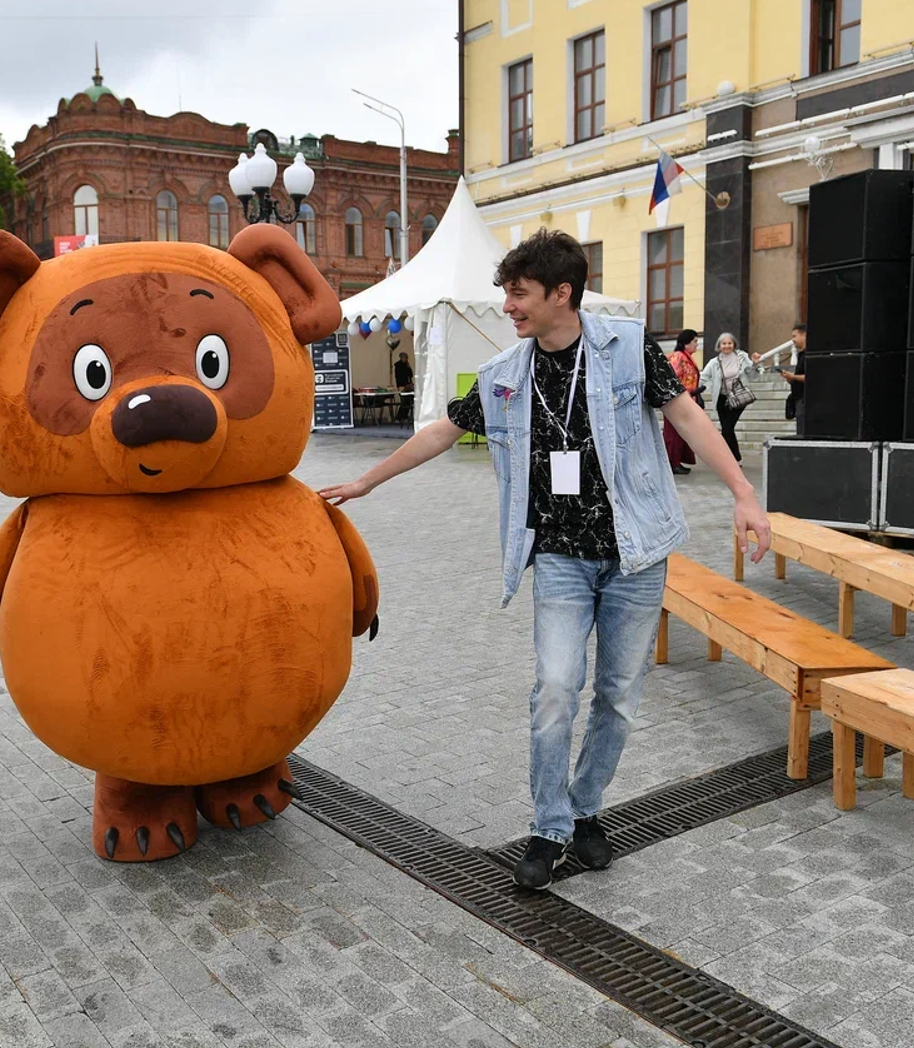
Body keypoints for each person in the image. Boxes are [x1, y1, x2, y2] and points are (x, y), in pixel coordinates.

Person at [318, 230, 771, 888]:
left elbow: (688, 417)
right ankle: (550, 825)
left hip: (636, 555)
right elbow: (443, 430)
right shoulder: (506, 375)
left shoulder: (627, 348)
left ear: (562, 294)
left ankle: (586, 810)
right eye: (506, 292)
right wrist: (367, 480)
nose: (508, 305)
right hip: (560, 557)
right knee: (557, 689)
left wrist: (744, 493)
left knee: (617, 697)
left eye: (519, 293)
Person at [698, 333, 756, 463]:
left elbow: (752, 375)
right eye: (724, 343)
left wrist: (754, 363)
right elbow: (704, 377)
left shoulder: (742, 357)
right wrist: (709, 386)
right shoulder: (714, 362)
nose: (727, 346)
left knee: (727, 429)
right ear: (719, 346)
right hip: (722, 399)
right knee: (726, 430)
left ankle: (734, 458)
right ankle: (731, 458)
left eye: (729, 343)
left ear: (734, 344)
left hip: (739, 397)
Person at [664, 330, 701, 475]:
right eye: (695, 341)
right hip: (676, 401)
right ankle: (672, 463)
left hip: (686, 400)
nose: (697, 344)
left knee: (680, 433)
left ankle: (676, 461)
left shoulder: (687, 357)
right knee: (674, 433)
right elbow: (672, 377)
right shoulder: (678, 357)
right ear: (686, 343)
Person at [780, 324, 808, 437]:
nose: (793, 340)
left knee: (803, 431)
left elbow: (811, 377)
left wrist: (793, 377)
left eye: (794, 336)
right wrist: (790, 379)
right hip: (798, 398)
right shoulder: (801, 355)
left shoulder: (808, 356)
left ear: (804, 335)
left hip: (805, 399)